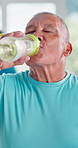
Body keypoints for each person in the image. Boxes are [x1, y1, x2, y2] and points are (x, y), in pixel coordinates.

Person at [0, 12, 78, 148]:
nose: (36, 36)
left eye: (47, 31)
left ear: (67, 49)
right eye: (30, 32)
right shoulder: (4, 86)